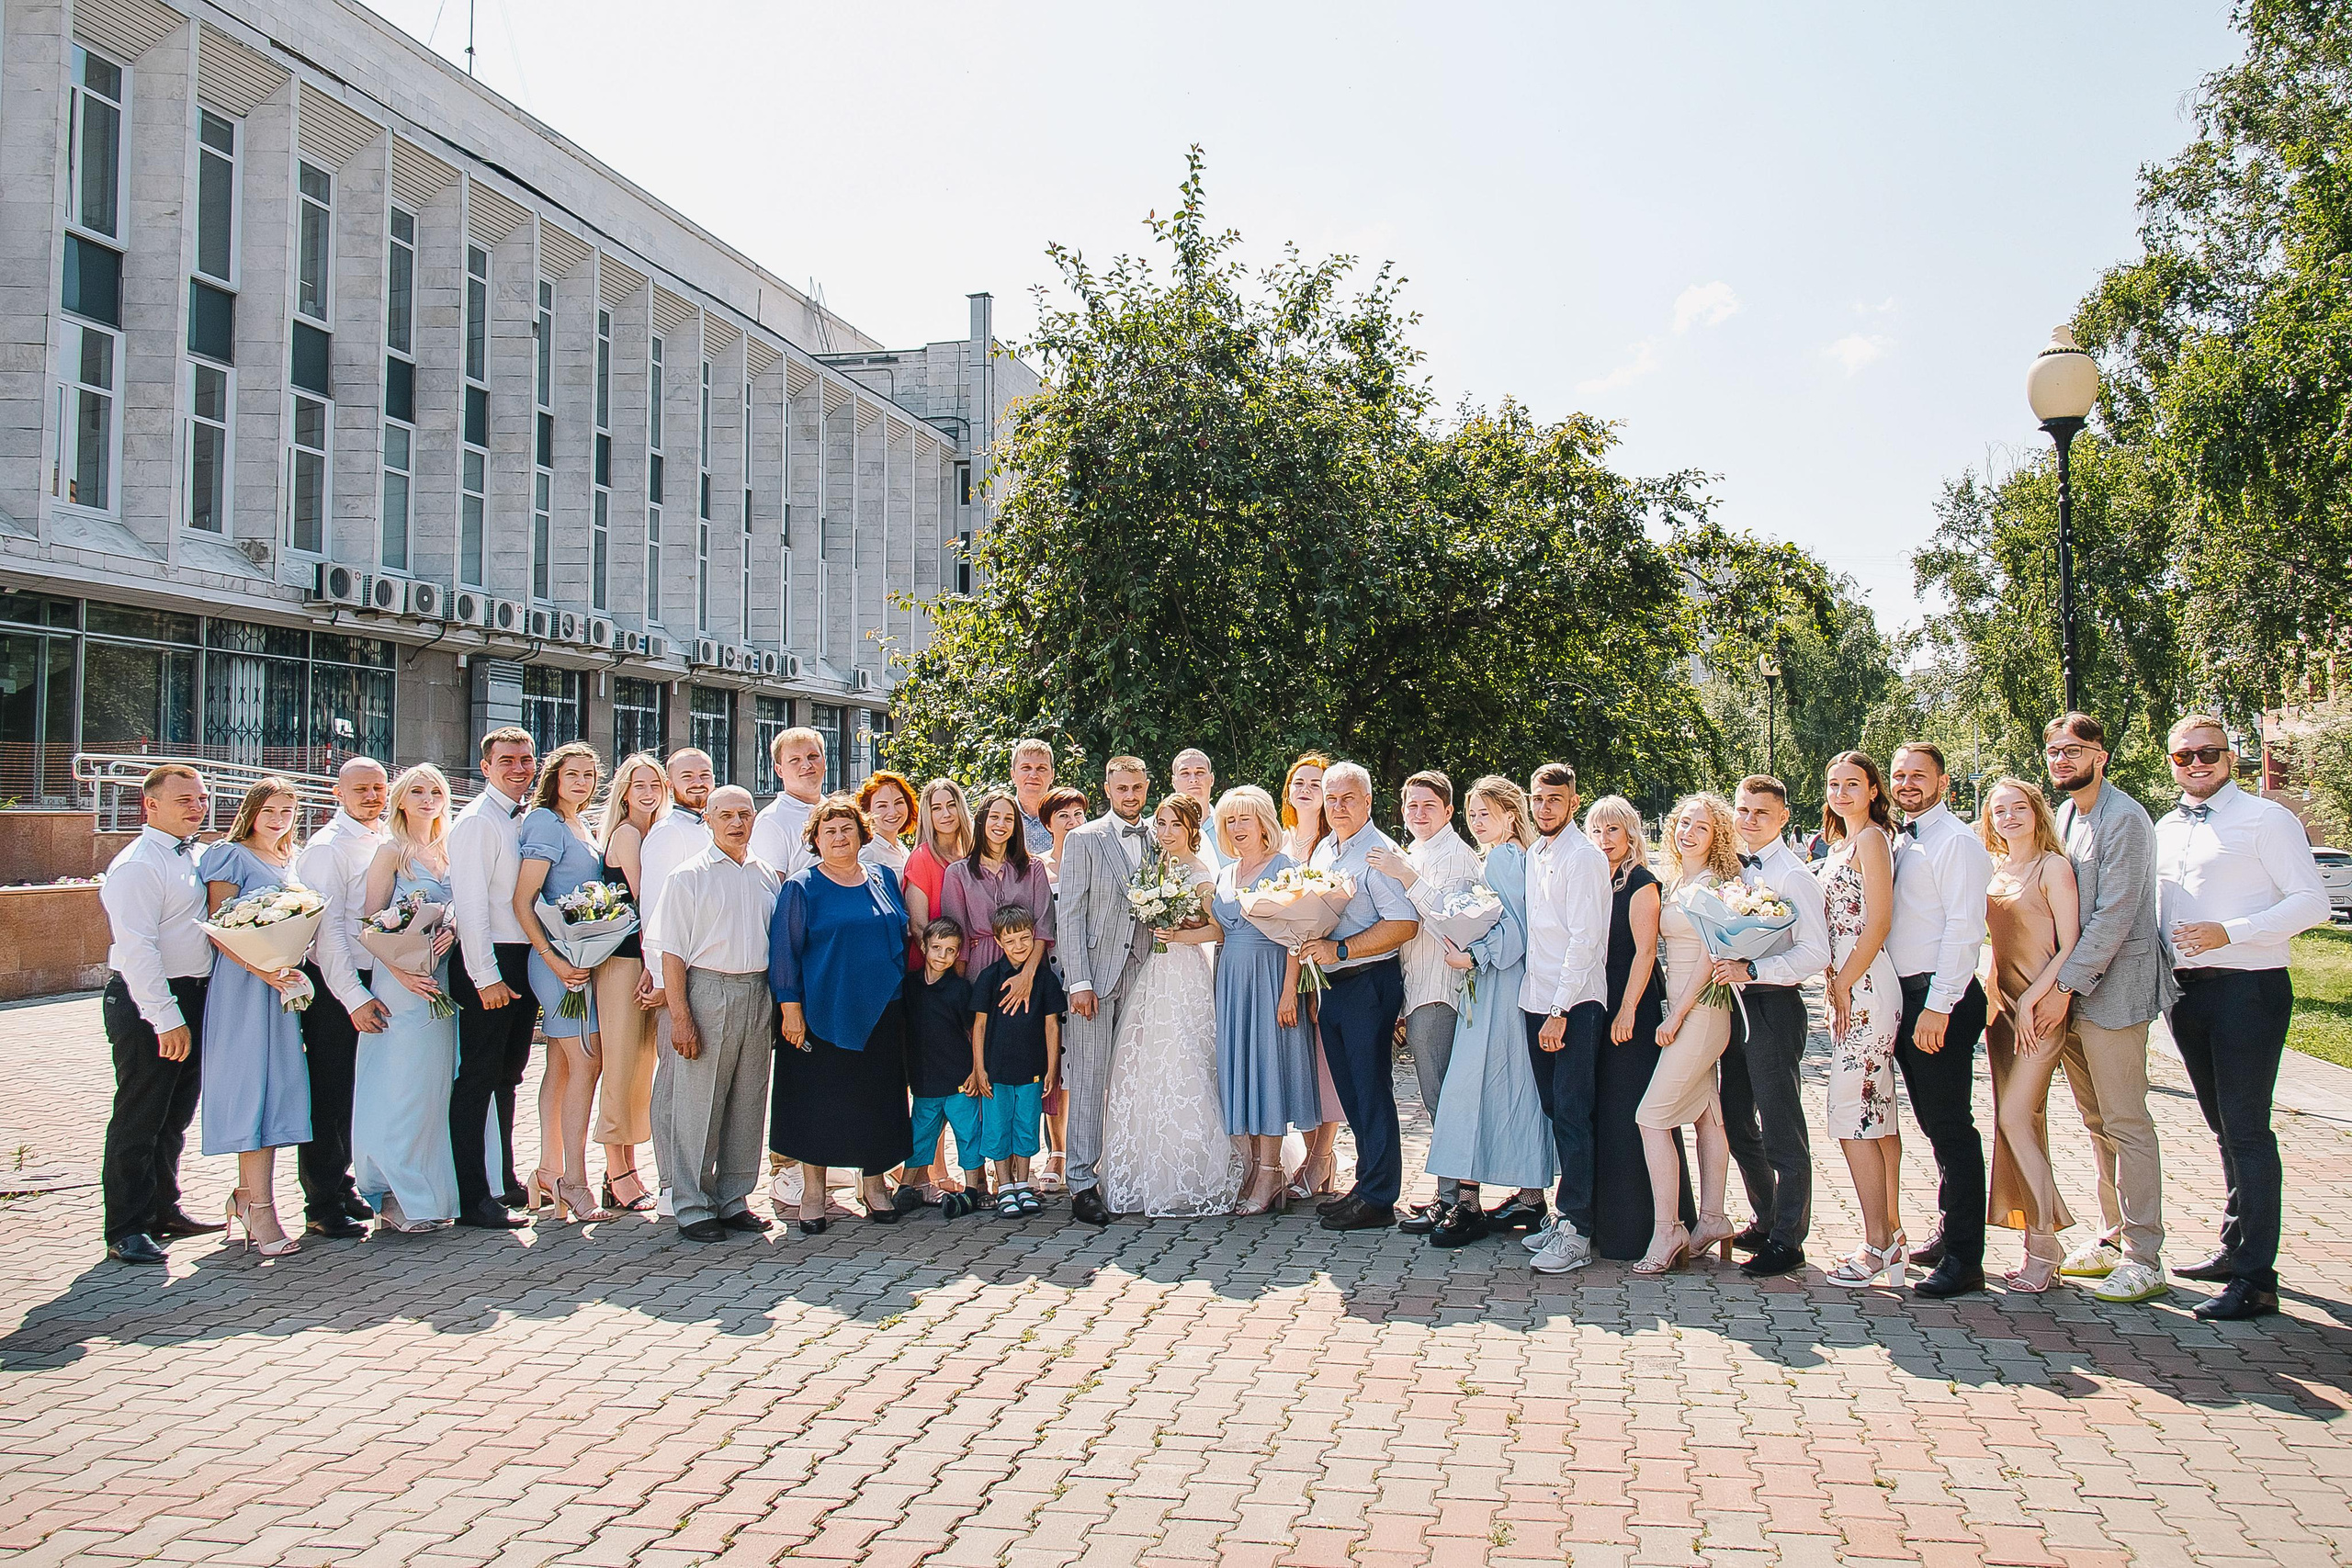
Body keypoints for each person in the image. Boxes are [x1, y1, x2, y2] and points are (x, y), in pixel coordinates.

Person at [2155, 713, 2329, 1321]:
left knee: (2249, 1130)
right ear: (2171, 761)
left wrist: (2230, 931)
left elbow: (2314, 902)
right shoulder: (2166, 827)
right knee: (2223, 1128)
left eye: (2208, 753)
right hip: (2186, 995)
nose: (2197, 763)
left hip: (2249, 991)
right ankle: (2235, 1251)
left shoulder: (2267, 818)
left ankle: (2257, 1278)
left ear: (2230, 757)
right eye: (2185, 756)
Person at [2041, 712, 2175, 1303]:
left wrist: (2063, 986)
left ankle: (2146, 1255)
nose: (2061, 759)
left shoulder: (2126, 819)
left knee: (2126, 1121)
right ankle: (2113, 1234)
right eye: (2052, 750)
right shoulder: (2067, 815)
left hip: (2113, 994)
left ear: (2100, 755)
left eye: (2073, 749)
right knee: (2096, 1123)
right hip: (2071, 994)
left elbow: (2116, 915)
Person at [771, 794, 917, 1232]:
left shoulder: (882, 877)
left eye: (847, 829)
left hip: (882, 1010)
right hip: (820, 1011)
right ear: (815, 838)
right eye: (829, 830)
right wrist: (790, 1009)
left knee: (878, 1101)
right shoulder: (801, 886)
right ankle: (813, 1195)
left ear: (861, 834)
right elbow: (784, 951)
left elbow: (902, 929)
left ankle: (874, 1186)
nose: (839, 837)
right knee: (818, 1104)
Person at [98, 763, 225, 1265]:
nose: (197, 806)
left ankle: (161, 1209)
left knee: (175, 1114)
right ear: (150, 806)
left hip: (192, 995)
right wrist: (165, 1017)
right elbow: (137, 951)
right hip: (147, 1000)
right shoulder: (137, 865)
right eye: (184, 800)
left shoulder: (192, 855)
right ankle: (125, 1227)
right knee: (140, 1114)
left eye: (200, 798)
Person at [1420, 777, 1555, 1248]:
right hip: (1502, 986)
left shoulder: (1503, 858)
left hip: (1497, 986)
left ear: (1510, 816)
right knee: (1511, 1085)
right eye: (1472, 814)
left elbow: (1514, 932)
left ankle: (1469, 1203)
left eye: (1485, 814)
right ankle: (1530, 1195)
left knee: (1473, 1087)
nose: (1476, 822)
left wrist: (1473, 955)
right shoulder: (1516, 856)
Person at [1885, 742, 1996, 1297]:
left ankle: (1965, 1258)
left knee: (1951, 1128)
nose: (1906, 783)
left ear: (1944, 782)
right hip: (1908, 995)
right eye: (1899, 775)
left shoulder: (1956, 842)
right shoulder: (1902, 840)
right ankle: (1949, 1231)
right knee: (1933, 1126)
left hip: (1939, 997)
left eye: (1918, 776)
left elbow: (1964, 929)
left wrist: (1939, 1005)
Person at [1101, 794, 1242, 1216]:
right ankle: (1148, 1167)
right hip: (1156, 973)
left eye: (1174, 825)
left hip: (1186, 971)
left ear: (1191, 830)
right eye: (1160, 824)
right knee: (1148, 1063)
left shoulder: (1200, 872)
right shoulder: (1156, 867)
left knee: (1187, 1061)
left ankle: (1196, 1167)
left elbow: (1218, 930)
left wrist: (1179, 936)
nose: (1164, 833)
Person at [196, 777, 316, 1258]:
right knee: (251, 1087)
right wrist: (260, 969)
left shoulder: (290, 860)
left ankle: (246, 1198)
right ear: (251, 810)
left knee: (277, 1088)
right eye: (271, 809)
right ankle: (260, 1210)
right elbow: (217, 927)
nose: (280, 817)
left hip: (282, 985)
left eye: (288, 810)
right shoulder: (230, 854)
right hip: (244, 986)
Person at [1718, 776, 1832, 1280]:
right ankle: (1764, 1218)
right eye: (1742, 811)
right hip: (1736, 1003)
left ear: (1783, 817)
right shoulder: (1735, 871)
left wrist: (1756, 971)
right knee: (1737, 1117)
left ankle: (1790, 1238)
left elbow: (1816, 952)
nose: (1749, 820)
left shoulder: (1794, 876)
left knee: (1782, 1126)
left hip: (1774, 1005)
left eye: (1760, 813)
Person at [656, 786, 782, 1244]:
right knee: (698, 1103)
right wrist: (681, 1017)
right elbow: (672, 953)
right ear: (707, 819)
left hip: (757, 991)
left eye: (744, 814)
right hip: (707, 990)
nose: (736, 822)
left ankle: (733, 1199)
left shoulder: (767, 875)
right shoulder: (688, 877)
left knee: (747, 1101)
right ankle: (690, 1205)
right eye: (725, 814)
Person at [1302, 761, 1421, 1232]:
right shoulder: (1325, 851)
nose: (1338, 807)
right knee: (1350, 1092)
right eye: (1331, 799)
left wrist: (1342, 948)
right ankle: (1366, 1182)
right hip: (1333, 985)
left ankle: (1379, 1198)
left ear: (1368, 801)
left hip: (1369, 981)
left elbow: (1403, 924)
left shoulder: (1378, 853)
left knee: (1371, 1090)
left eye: (1348, 798)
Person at [1976, 776, 2081, 1291]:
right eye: (1999, 810)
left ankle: (2045, 1240)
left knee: (2017, 1117)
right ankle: (2036, 1241)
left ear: (2037, 812)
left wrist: (2038, 999)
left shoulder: (2052, 868)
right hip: (2001, 1014)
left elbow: (2070, 945)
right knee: (2016, 1124)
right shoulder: (1995, 871)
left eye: (2019, 807)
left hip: (2040, 1010)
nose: (2009, 817)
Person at [1367, 770, 1482, 1225]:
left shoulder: (1457, 857)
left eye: (1428, 806)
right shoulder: (1415, 851)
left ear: (1449, 811)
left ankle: (1457, 1201)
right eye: (1411, 806)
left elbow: (1453, 922)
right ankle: (1448, 1192)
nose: (1417, 813)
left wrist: (1406, 875)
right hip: (1416, 987)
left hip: (1441, 990)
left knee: (1442, 1098)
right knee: (1436, 1094)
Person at [1631, 795, 1740, 1274]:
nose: (1688, 832)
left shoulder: (1713, 884)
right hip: (1685, 1007)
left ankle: (1667, 1227)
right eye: (1683, 823)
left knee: (1652, 1117)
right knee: (1707, 1111)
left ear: (1717, 835)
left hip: (1700, 1009)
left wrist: (1675, 1016)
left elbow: (1706, 957)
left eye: (1701, 826)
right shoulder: (1680, 880)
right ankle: (1713, 1218)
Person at [354, 763, 462, 1232]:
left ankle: (433, 1194)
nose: (426, 798)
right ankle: (391, 1195)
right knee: (399, 1086)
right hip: (400, 984)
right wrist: (403, 971)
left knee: (434, 1089)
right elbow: (368, 925)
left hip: (442, 980)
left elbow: (463, 907)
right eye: (416, 791)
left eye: (434, 790)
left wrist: (453, 930)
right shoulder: (391, 852)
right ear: (400, 800)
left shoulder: (450, 850)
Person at [514, 740, 616, 1223]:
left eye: (589, 775)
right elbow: (524, 900)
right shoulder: (544, 823)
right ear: (554, 776)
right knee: (587, 1061)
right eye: (572, 774)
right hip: (558, 965)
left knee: (559, 1066)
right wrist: (554, 962)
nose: (581, 782)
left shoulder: (582, 824)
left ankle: (547, 1170)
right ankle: (574, 1180)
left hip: (581, 959)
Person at [1052, 757, 1156, 1226]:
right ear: (1108, 789)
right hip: (1095, 976)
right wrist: (1079, 981)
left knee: (1137, 1077)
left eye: (1137, 787)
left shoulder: (1160, 836)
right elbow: (1069, 914)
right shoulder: (1085, 838)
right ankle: (1080, 1181)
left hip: (1149, 971)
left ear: (1147, 787)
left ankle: (1129, 1170)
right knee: (1090, 1079)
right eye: (1121, 788)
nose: (1130, 796)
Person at [1819, 750, 1907, 1289]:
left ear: (1874, 790)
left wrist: (1843, 983)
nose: (1842, 792)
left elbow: (1879, 921)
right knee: (1876, 1110)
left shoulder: (1872, 840)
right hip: (1850, 983)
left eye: (1853, 783)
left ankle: (1877, 1244)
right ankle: (1891, 1236)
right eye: (1833, 784)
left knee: (1853, 1112)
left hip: (1869, 983)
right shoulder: (1839, 845)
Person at [292, 756, 390, 1239]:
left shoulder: (382, 838)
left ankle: (344, 1183)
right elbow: (325, 932)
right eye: (361, 790)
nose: (372, 797)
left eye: (378, 788)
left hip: (374, 978)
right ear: (338, 793)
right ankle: (321, 1200)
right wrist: (352, 997)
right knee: (328, 1094)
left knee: (354, 1092)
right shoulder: (326, 848)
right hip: (335, 986)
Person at [1519, 762, 1611, 1273]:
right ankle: (1567, 1213)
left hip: (1573, 1005)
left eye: (1555, 800)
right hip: (1536, 1001)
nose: (1545, 807)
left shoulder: (1584, 857)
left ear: (1573, 802)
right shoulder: (1537, 852)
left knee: (1574, 1113)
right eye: (1538, 799)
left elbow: (1585, 939)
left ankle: (1577, 1228)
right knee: (1556, 1111)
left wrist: (1558, 1011)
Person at [1211, 786, 1318, 1215]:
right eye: (1229, 821)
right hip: (1233, 982)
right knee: (1245, 1071)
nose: (1237, 828)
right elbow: (1220, 931)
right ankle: (1257, 1168)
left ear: (1263, 823)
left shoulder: (1285, 867)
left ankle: (1272, 1171)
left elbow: (1300, 933)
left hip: (1272, 979)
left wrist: (1289, 990)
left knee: (1269, 1071)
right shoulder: (1226, 873)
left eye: (1245, 819)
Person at [447, 727, 539, 1230]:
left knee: (509, 1076)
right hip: (489, 962)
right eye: (507, 760)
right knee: (477, 1079)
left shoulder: (520, 819)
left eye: (525, 759)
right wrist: (484, 976)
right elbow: (470, 906)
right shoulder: (477, 823)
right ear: (485, 767)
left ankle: (501, 1178)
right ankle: (471, 1196)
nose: (518, 768)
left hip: (521, 957)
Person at [1591, 795, 1690, 1263]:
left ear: (1631, 834)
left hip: (1633, 1006)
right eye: (1597, 830)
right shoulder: (1598, 881)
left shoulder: (1641, 883)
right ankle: (1609, 1224)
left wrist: (1628, 1010)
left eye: (1614, 831)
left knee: (1633, 1112)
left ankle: (1649, 1227)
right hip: (1600, 1004)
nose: (1605, 840)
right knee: (1608, 1114)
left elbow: (1645, 953)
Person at [637, 748, 715, 1215]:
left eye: (705, 773)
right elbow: (655, 912)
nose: (698, 781)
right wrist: (663, 979)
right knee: (674, 1079)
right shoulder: (667, 834)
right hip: (677, 975)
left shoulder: (705, 826)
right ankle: (670, 1183)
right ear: (670, 784)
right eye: (687, 775)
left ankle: (697, 1178)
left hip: (709, 972)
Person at [592, 751, 667, 1213]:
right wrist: (649, 964)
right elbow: (646, 903)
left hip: (642, 961)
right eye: (638, 784)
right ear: (624, 790)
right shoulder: (625, 833)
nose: (647, 791)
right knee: (621, 1066)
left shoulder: (653, 832)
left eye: (654, 783)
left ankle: (626, 1167)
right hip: (623, 965)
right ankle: (616, 1171)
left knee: (640, 1068)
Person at [1279, 751, 1348, 1199]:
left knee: (1324, 1062)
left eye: (1315, 784)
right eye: (1299, 782)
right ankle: (1315, 1158)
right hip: (1284, 965)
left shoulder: (1334, 844)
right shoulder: (1279, 842)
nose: (1306, 790)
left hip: (1325, 966)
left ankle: (1321, 1157)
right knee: (1297, 1063)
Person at [970, 907, 1067, 1215]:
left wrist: (1052, 1068)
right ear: (999, 941)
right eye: (1011, 941)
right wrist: (978, 1067)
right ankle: (1004, 1186)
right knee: (998, 1127)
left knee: (1026, 1126)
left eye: (1025, 939)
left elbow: (1052, 1025)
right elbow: (980, 1025)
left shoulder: (1044, 980)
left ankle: (1023, 1183)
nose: (1019, 946)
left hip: (1032, 1069)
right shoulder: (989, 978)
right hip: (996, 1070)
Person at [1031, 782, 1091, 1193]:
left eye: (1078, 815)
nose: (1072, 823)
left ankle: (1089, 1147)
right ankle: (1057, 1148)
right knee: (1055, 1060)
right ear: (1048, 823)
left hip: (1087, 971)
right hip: (1049, 972)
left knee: (1086, 1059)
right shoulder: (1038, 867)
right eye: (1063, 816)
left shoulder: (1097, 859)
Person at [903, 919, 985, 1216]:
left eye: (950, 950)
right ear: (923, 946)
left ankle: (973, 1189)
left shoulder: (960, 990)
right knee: (920, 1134)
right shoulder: (910, 986)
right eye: (936, 948)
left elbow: (973, 1031)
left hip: (960, 1080)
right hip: (925, 1081)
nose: (942, 955)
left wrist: (977, 1070)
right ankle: (906, 1186)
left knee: (968, 1134)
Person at [943, 787, 1057, 983]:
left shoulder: (1034, 868)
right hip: (980, 968)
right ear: (982, 821)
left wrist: (1027, 976)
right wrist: (959, 989)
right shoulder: (958, 873)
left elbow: (1043, 927)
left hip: (1029, 966)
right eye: (994, 817)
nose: (1001, 824)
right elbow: (957, 935)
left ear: (1016, 826)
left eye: (1009, 819)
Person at [749, 726, 828, 879]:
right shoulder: (772, 821)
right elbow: (771, 891)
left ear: (824, 761)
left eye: (812, 756)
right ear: (779, 770)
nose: (806, 765)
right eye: (795, 760)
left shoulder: (836, 811)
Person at [858, 770, 920, 878]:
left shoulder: (901, 848)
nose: (893, 812)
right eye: (882, 806)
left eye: (899, 802)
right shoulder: (868, 851)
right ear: (868, 811)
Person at [1172, 748, 1227, 871]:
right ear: (1174, 781)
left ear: (1211, 779)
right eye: (1185, 773)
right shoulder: (1156, 829)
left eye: (1200, 772)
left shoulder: (1230, 825)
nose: (1193, 779)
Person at [1011, 737, 1058, 855]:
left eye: (1041, 768)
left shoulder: (1069, 818)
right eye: (1026, 768)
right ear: (1013, 774)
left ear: (1052, 775)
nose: (1033, 775)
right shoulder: (997, 818)